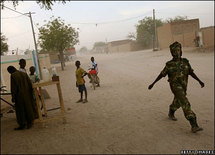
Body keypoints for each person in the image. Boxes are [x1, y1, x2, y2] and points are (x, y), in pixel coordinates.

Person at [148, 41, 205, 133]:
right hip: (175, 86)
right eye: (174, 51)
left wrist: (199, 81)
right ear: (171, 52)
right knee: (184, 101)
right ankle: (193, 124)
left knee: (178, 101)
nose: (176, 52)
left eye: (178, 50)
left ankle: (171, 111)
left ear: (181, 51)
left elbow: (191, 72)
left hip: (183, 86)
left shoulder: (185, 62)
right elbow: (162, 74)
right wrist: (153, 83)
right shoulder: (169, 64)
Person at [7, 66, 37, 130]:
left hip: (19, 96)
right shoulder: (23, 73)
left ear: (10, 71)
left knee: (20, 111)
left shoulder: (13, 75)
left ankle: (22, 124)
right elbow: (30, 83)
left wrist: (13, 97)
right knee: (28, 108)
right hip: (27, 94)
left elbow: (13, 88)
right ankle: (30, 123)